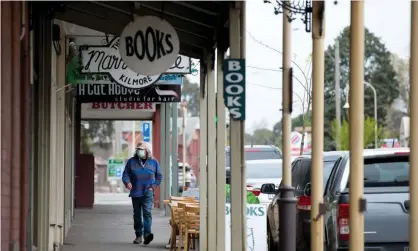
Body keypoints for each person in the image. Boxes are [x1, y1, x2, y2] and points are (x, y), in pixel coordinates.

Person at [122, 142, 162, 245]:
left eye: (141, 149)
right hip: (135, 192)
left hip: (148, 192)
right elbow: (125, 174)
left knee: (147, 213)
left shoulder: (153, 162)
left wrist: (153, 186)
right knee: (137, 215)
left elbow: (159, 176)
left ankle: (147, 235)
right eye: (138, 149)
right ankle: (138, 236)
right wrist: (127, 182)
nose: (139, 151)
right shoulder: (131, 162)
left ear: (147, 150)